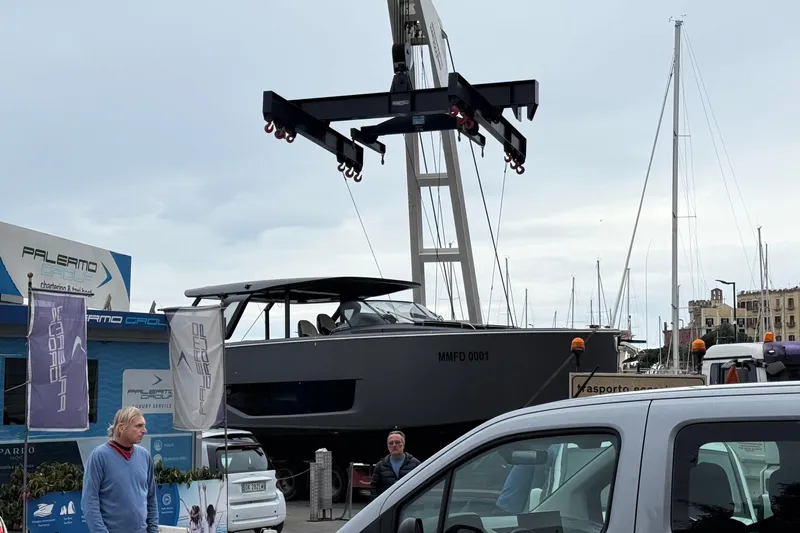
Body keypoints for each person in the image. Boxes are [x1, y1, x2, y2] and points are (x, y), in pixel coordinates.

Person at [81, 406, 158, 533]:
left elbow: (151, 498)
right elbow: (89, 500)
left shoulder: (144, 455)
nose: (144, 430)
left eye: (144, 426)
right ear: (122, 428)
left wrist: (153, 530)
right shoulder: (99, 456)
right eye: (139, 426)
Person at [370, 430, 421, 498]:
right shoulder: (380, 466)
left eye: (397, 442)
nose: (394, 445)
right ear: (387, 446)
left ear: (403, 444)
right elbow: (374, 487)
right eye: (391, 443)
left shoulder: (415, 464)